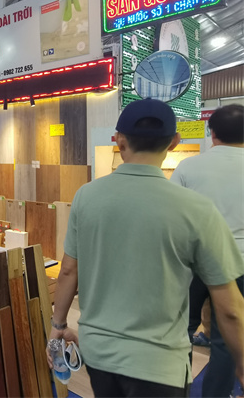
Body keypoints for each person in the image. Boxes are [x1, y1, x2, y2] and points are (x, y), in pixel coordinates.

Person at [47, 99, 244, 396]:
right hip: (160, 363)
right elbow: (229, 309)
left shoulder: (86, 196)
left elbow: (68, 270)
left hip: (99, 353)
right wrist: (240, 363)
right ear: (174, 142)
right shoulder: (196, 208)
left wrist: (58, 324)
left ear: (119, 141)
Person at [170, 103, 244, 397]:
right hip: (239, 263)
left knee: (179, 331)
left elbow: (172, 217)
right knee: (228, 338)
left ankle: (178, 390)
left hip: (192, 262)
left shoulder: (188, 167)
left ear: (211, 133)